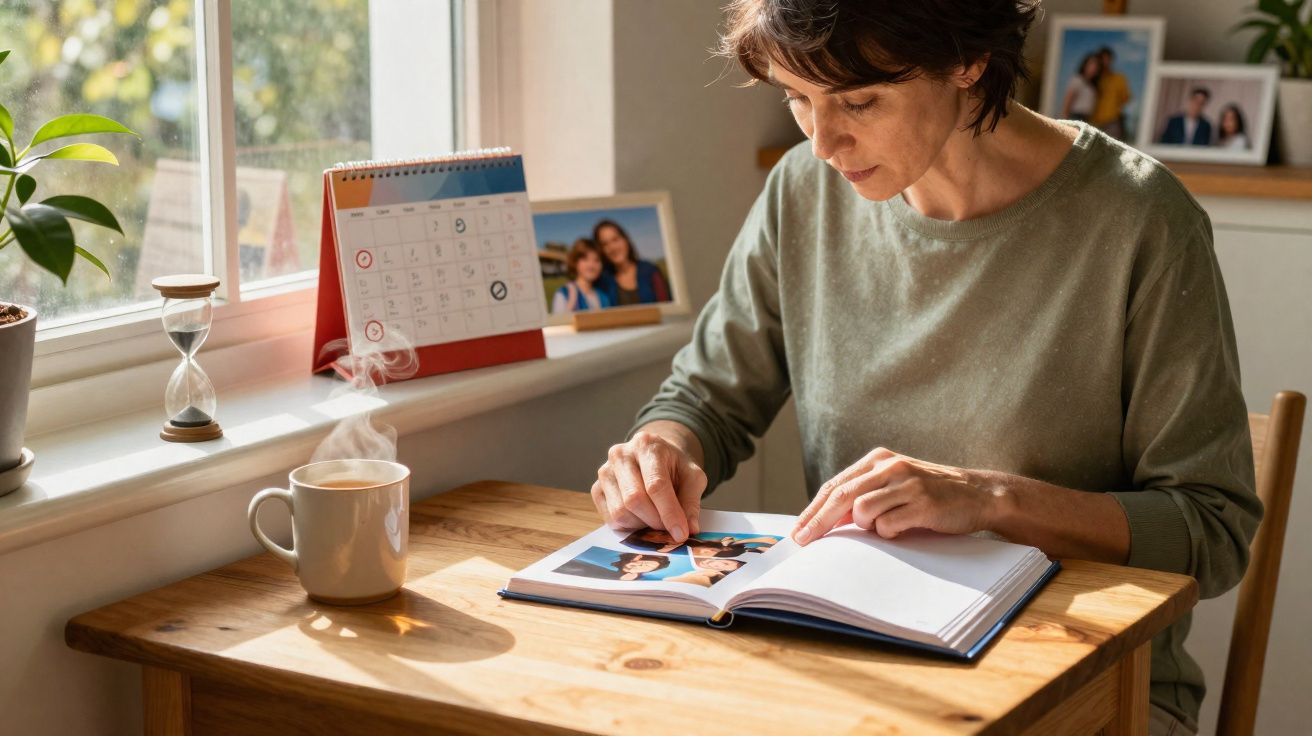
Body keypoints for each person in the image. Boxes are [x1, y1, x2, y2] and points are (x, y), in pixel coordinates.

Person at [588, 2, 1259, 734]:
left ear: (966, 60)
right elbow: (707, 400)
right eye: (797, 99)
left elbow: (1212, 530)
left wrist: (992, 499)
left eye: (859, 102)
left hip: (1095, 689)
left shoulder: (1141, 219)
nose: (823, 143)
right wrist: (661, 450)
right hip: (859, 665)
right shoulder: (802, 192)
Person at [593, 219, 672, 306]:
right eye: (605, 244)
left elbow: (667, 307)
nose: (612, 247)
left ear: (625, 240)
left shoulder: (650, 271)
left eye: (615, 240)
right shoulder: (603, 281)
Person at [550, 238, 614, 314]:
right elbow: (558, 320)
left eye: (596, 260)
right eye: (585, 259)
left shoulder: (604, 298)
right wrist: (571, 302)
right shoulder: (563, 294)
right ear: (575, 262)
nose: (591, 265)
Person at [1088, 46, 1132, 140]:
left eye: (1108, 59)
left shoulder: (1119, 78)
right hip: (1093, 121)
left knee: (1112, 145)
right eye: (1102, 59)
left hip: (1112, 121)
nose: (1105, 62)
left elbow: (1126, 97)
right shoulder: (1093, 79)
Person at [1060, 53, 1101, 121]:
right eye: (1091, 64)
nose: (1093, 68)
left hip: (1087, 118)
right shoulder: (1077, 80)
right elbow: (1068, 100)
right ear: (1085, 65)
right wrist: (1064, 118)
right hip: (1075, 116)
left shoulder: (1093, 85)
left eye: (1096, 66)